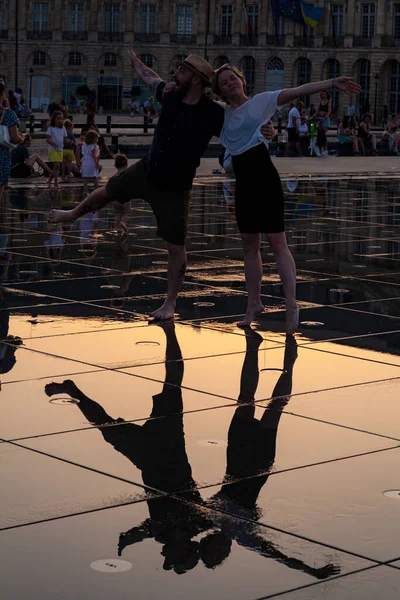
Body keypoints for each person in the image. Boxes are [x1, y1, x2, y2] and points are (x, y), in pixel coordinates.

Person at [211, 64, 360, 331]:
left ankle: (292, 304)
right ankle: (253, 304)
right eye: (224, 82)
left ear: (242, 80)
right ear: (219, 90)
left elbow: (297, 91)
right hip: (243, 184)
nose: (230, 83)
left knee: (278, 243)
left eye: (233, 77)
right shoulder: (223, 115)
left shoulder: (261, 102)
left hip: (265, 180)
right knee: (249, 247)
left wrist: (332, 81)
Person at [0, 83, 24, 201]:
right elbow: (15, 138)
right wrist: (22, 139)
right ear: (3, 94)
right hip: (2, 157)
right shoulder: (9, 114)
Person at [45, 110, 68, 188]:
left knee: (56, 167)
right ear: (54, 119)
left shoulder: (63, 128)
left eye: (61, 119)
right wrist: (52, 143)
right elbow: (47, 139)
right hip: (53, 149)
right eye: (58, 119)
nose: (60, 120)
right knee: (57, 166)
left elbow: (65, 138)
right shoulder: (51, 128)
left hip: (60, 149)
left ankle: (50, 180)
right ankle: (56, 184)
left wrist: (71, 141)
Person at [112, 153, 130, 232]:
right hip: (126, 199)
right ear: (126, 165)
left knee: (117, 213)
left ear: (115, 166)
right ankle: (123, 222)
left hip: (116, 199)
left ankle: (119, 228)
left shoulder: (114, 176)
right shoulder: (128, 176)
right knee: (126, 212)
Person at [81, 130, 100, 196]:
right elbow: (93, 155)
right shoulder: (93, 146)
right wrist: (96, 163)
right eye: (96, 138)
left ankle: (85, 191)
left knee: (86, 178)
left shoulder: (85, 145)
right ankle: (96, 190)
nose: (97, 140)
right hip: (91, 162)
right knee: (95, 177)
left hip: (85, 162)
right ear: (93, 139)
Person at [315, 90, 332, 156]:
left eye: (324, 94)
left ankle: (325, 150)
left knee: (323, 134)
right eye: (321, 94)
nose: (322, 95)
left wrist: (324, 117)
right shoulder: (320, 102)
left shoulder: (328, 101)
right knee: (319, 134)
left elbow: (329, 112)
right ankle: (320, 149)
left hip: (324, 119)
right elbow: (317, 111)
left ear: (326, 95)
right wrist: (312, 117)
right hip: (320, 118)